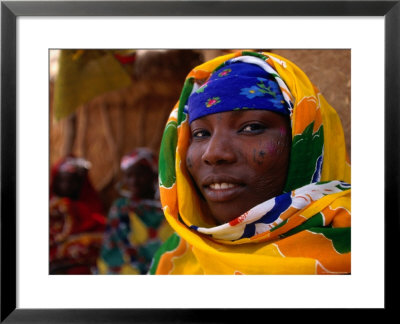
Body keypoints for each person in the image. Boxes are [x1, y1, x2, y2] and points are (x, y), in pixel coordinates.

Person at [149, 51, 351, 275]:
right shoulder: (174, 259)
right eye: (200, 133)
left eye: (251, 127)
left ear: (302, 142)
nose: (213, 153)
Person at [97, 148, 173, 274]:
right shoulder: (121, 208)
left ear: (154, 176)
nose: (134, 181)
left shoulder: (168, 208)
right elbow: (120, 247)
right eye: (129, 176)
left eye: (140, 175)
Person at [49, 156, 107, 274]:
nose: (67, 186)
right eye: (62, 180)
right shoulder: (51, 210)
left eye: (72, 181)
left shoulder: (92, 209)